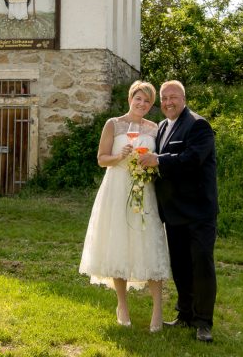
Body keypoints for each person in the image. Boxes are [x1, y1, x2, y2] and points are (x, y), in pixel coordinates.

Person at [79, 80, 171, 331]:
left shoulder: (155, 128)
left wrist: (148, 164)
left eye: (147, 101)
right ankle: (122, 305)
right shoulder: (113, 124)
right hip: (117, 188)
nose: (142, 104)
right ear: (130, 98)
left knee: (150, 243)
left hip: (144, 190)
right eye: (138, 98)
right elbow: (101, 159)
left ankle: (157, 311)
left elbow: (159, 159)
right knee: (117, 242)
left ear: (151, 105)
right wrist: (120, 156)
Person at [140, 80, 218, 342]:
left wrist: (158, 160)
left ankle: (203, 322)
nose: (168, 102)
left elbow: (193, 159)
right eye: (164, 99)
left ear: (183, 98)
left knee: (202, 265)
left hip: (198, 212)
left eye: (173, 97)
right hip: (173, 212)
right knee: (181, 266)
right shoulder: (162, 127)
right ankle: (185, 315)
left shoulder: (199, 125)